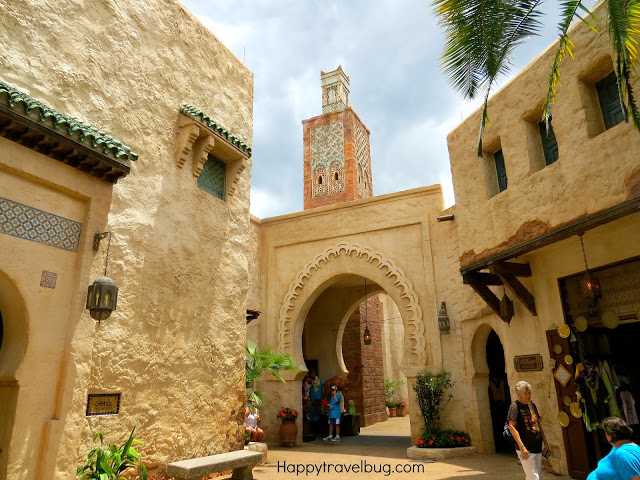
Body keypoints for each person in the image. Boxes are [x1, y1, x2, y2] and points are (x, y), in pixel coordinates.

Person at [508, 380, 550, 480]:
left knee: (537, 475)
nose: (528, 395)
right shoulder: (515, 406)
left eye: (529, 393)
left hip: (537, 446)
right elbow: (511, 427)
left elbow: (538, 424)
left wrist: (546, 443)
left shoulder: (532, 405)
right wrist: (522, 447)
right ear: (519, 394)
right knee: (533, 476)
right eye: (525, 393)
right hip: (525, 449)